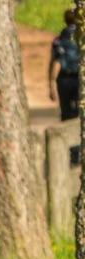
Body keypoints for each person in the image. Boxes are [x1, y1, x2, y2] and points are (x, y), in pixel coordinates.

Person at [50, 10, 81, 164]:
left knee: (66, 114)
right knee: (80, 115)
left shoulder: (59, 39)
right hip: (79, 80)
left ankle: (72, 154)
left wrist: (51, 83)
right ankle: (80, 150)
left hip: (63, 81)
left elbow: (56, 62)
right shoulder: (80, 37)